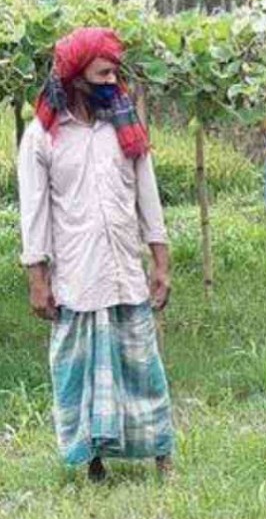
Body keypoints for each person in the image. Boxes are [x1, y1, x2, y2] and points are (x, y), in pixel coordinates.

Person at [17, 27, 174, 482]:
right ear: (75, 76)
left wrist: (161, 260)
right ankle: (93, 463)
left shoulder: (124, 127)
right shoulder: (42, 138)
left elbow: (149, 197)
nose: (112, 81)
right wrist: (37, 278)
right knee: (79, 374)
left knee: (143, 369)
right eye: (103, 72)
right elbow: (35, 213)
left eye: (114, 72)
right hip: (77, 279)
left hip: (125, 273)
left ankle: (161, 455)